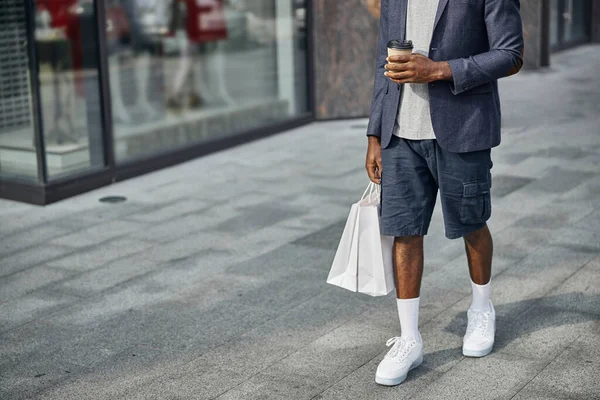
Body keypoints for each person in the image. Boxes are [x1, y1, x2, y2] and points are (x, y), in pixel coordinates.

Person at [365, 0, 524, 386]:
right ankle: (409, 339)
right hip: (399, 135)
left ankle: (482, 309)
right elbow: (382, 59)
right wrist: (374, 132)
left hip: (463, 128)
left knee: (472, 223)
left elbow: (511, 54)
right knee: (404, 231)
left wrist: (438, 70)